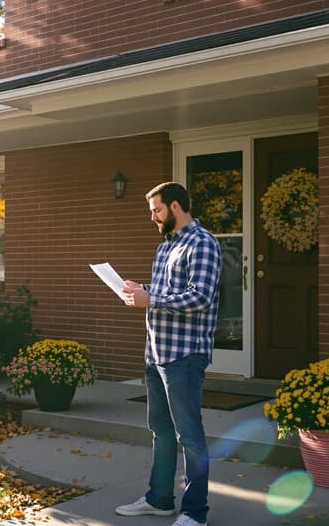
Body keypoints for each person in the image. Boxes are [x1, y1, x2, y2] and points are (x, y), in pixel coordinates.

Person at [115, 182, 222, 526]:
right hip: (157, 352)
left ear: (176, 207)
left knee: (189, 435)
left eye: (156, 210)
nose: (152, 217)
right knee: (160, 430)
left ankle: (195, 513)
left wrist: (153, 299)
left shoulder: (203, 243)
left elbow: (200, 297)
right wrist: (140, 289)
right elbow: (166, 292)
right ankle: (159, 499)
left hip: (185, 356)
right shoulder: (166, 247)